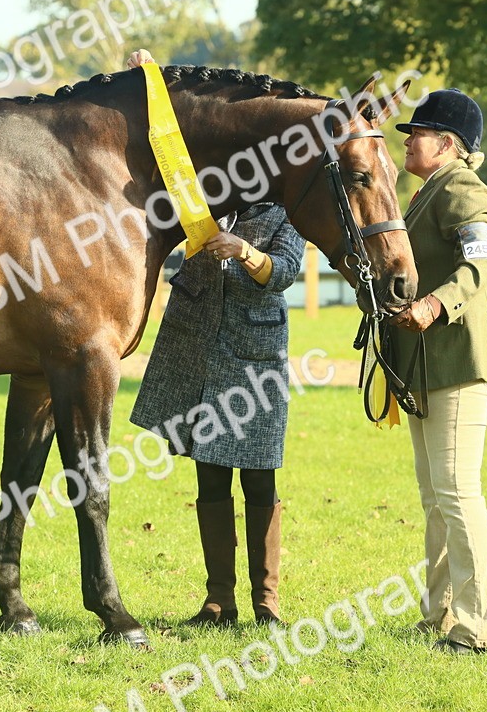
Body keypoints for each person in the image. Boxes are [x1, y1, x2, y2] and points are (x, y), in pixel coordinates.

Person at [126, 48, 307, 626]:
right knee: (209, 480)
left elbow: (286, 272)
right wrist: (151, 77)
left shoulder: (285, 208)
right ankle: (218, 600)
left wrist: (247, 252)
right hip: (197, 351)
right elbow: (167, 140)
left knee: (259, 480)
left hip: (254, 360)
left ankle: (266, 602)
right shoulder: (197, 197)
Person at [390, 88, 487, 654]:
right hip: (424, 365)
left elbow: (482, 261)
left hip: (461, 360)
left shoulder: (463, 188)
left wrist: (437, 303)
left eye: (417, 133)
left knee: (458, 492)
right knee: (436, 496)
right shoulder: (425, 192)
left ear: (445, 144)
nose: (408, 140)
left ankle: (480, 624)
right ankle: (440, 613)